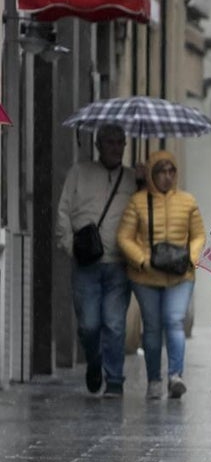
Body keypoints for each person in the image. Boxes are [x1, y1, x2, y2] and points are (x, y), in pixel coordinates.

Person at [116, 151, 205, 400]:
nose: (167, 177)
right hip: (146, 277)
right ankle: (154, 379)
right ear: (151, 174)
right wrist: (141, 260)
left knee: (174, 321)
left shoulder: (187, 201)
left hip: (180, 274)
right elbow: (124, 236)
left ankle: (175, 375)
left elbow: (198, 234)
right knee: (152, 327)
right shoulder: (138, 202)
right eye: (160, 171)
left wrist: (192, 257)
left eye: (171, 171)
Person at [56, 124, 136, 396]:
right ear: (99, 145)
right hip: (85, 262)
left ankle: (114, 379)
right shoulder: (79, 172)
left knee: (114, 324)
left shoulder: (132, 178)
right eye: (110, 142)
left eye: (120, 142)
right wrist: (68, 245)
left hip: (118, 263)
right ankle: (94, 361)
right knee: (88, 325)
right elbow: (63, 210)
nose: (116, 147)